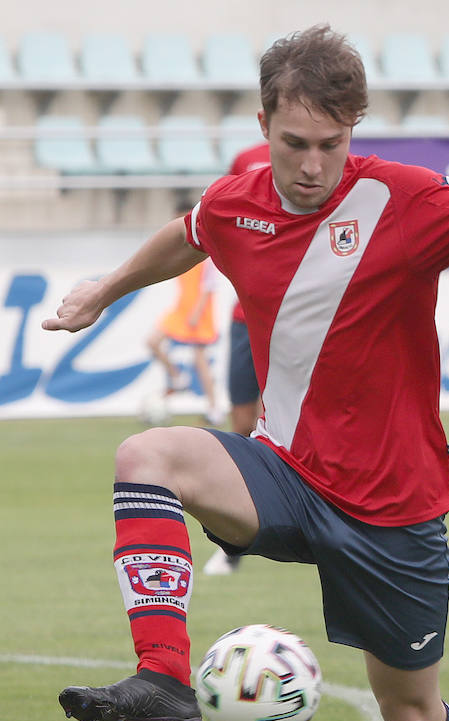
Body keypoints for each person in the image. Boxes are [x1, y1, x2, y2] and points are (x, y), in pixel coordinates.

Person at [42, 25, 449, 721]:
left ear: (353, 132)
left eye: (332, 144)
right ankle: (163, 679)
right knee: (144, 456)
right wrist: (104, 290)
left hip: (394, 511)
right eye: (295, 144)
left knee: (409, 716)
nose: (314, 164)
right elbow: (189, 233)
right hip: (283, 471)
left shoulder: (404, 199)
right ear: (263, 124)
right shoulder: (239, 203)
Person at [202, 139, 271, 576]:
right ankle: (233, 543)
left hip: (293, 322)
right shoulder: (245, 159)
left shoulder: (317, 158)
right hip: (245, 318)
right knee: (242, 425)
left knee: (283, 422)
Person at [144, 246, 224, 426]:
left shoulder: (209, 256)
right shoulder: (185, 251)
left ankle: (214, 409)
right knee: (152, 342)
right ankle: (177, 377)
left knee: (200, 361)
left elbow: (209, 285)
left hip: (199, 311)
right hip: (181, 309)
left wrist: (197, 312)